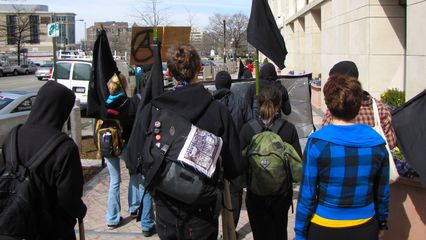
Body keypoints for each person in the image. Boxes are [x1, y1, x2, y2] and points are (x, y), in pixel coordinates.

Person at [128, 43, 243, 240]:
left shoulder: (153, 111)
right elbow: (235, 168)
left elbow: (132, 160)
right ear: (199, 69)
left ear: (170, 73)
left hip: (165, 209)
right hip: (203, 212)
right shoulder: (218, 112)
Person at [295, 74, 390, 240]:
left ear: (329, 104)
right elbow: (382, 193)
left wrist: (300, 232)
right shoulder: (377, 144)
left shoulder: (318, 143)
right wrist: (382, 222)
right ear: (358, 104)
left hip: (324, 226)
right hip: (365, 225)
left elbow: (307, 194)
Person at [0, 81, 87, 239]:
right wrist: (80, 211)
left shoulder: (13, 136)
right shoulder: (64, 148)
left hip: (14, 227)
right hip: (50, 230)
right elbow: (68, 197)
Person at [239, 85, 302, 240]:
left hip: (255, 195)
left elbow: (240, 164)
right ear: (279, 105)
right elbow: (297, 166)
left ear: (258, 104)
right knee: (279, 231)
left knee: (260, 233)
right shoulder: (289, 129)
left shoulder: (248, 129)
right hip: (281, 195)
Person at [103, 72, 155, 236]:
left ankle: (112, 218)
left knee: (115, 181)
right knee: (137, 177)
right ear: (124, 86)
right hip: (126, 146)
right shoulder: (130, 103)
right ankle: (137, 210)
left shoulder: (104, 104)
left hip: (108, 145)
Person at [322, 61, 396, 149]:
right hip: (372, 161)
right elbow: (390, 143)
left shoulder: (335, 109)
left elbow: (323, 141)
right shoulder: (379, 108)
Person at [212, 70, 253, 230]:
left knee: (215, 194)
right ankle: (232, 228)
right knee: (235, 194)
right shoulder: (240, 102)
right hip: (237, 156)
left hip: (214, 158)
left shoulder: (209, 103)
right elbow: (250, 124)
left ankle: (219, 228)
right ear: (230, 84)